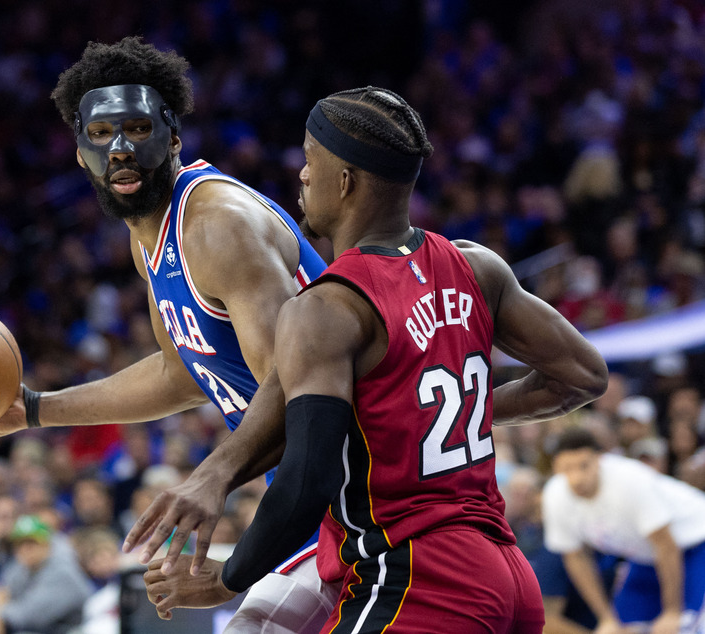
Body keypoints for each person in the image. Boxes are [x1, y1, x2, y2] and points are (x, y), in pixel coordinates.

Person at [142, 86, 608, 633]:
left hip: (416, 579)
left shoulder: (327, 307)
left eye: (310, 162)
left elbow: (308, 478)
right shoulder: (476, 267)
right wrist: (448, 414)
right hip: (507, 575)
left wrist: (226, 580)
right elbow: (583, 376)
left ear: (345, 181)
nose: (302, 177)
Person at [0, 36, 334, 633]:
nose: (119, 149)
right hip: (312, 498)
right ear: (78, 152)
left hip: (362, 483)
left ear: (173, 137)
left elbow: (298, 392)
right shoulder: (151, 239)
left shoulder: (216, 226)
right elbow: (179, 372)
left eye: (138, 129)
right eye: (100, 135)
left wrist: (210, 478)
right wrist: (35, 410)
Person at [542, 427, 705, 634]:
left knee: (685, 627)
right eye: (567, 469)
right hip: (646, 556)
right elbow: (576, 559)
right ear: (555, 467)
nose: (576, 478)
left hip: (696, 542)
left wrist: (672, 611)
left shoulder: (629, 480)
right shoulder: (555, 495)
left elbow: (666, 545)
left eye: (583, 466)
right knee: (619, 629)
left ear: (599, 460)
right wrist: (606, 618)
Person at [0, 514, 92, 634]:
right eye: (20, 544)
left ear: (46, 544)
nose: (25, 549)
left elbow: (28, 616)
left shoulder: (63, 572)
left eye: (32, 543)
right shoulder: (19, 568)